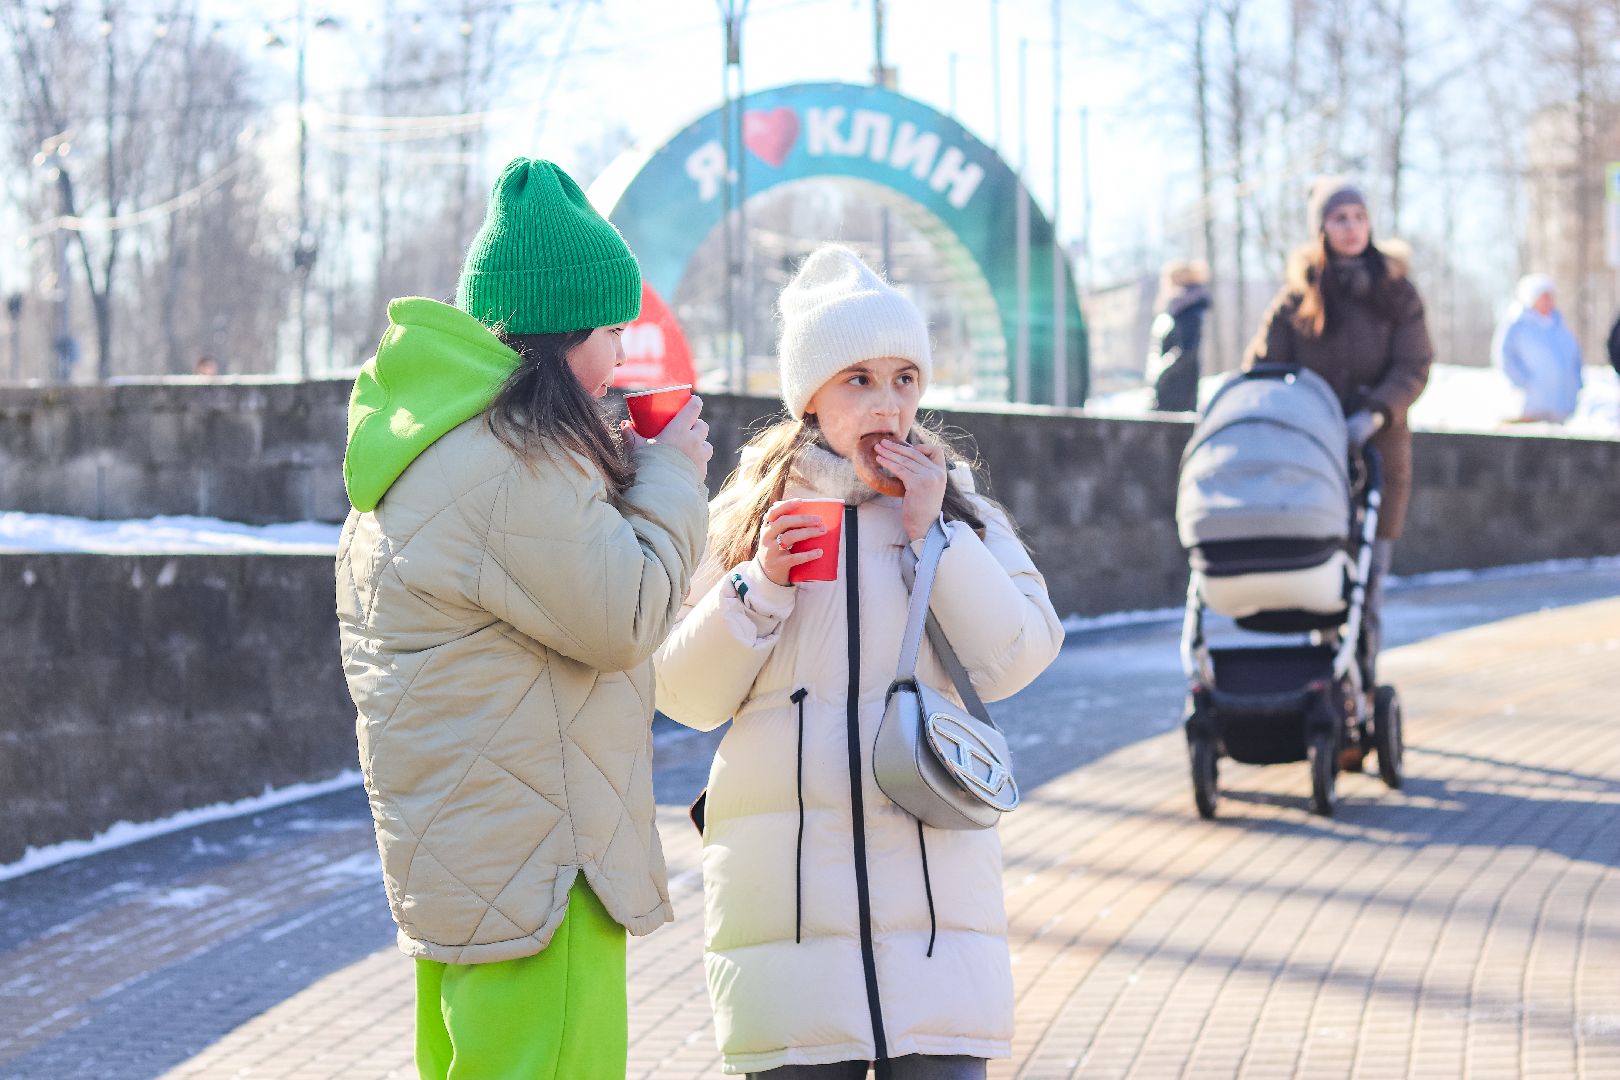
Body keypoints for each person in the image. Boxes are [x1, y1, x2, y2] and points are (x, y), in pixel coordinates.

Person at [334, 157, 712, 1079]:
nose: (620, 359)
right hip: (545, 864)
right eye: (610, 333)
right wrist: (672, 478)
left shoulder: (431, 440)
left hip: (470, 863)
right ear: (563, 332)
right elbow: (623, 614)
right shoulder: (513, 463)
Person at [655, 245, 1065, 1079]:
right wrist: (760, 585)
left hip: (938, 921)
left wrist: (935, 538)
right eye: (859, 380)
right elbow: (681, 694)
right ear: (810, 394)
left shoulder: (961, 509)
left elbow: (1021, 655)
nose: (889, 403)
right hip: (788, 924)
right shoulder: (745, 516)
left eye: (905, 377)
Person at [1244, 177, 1433, 761]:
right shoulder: (1298, 298)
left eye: (1359, 215)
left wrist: (1375, 413)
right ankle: (1325, 694)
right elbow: (1260, 369)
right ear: (1321, 227)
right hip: (1309, 465)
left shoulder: (1396, 292)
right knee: (1316, 584)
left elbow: (1414, 364)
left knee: (1365, 589)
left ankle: (1363, 690)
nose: (1351, 226)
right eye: (1339, 217)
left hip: (1378, 456)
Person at [1492, 274, 1583, 424]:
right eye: (1543, 297)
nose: (1548, 302)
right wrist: (1523, 383)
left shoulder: (1559, 325)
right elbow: (1504, 357)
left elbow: (1574, 356)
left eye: (1550, 297)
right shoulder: (1517, 324)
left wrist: (1576, 383)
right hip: (1531, 404)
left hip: (1562, 405)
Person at [1146, 259, 1212, 413]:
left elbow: (1186, 350)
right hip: (1168, 391)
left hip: (1177, 393)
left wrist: (1161, 372)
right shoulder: (1175, 309)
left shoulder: (1187, 311)